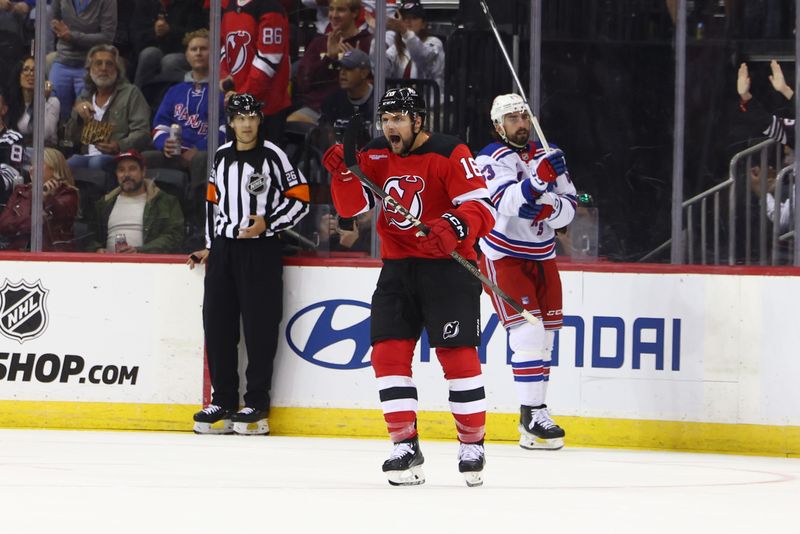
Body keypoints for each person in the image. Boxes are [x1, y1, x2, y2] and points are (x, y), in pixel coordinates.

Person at [321, 87, 496, 487]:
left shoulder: (452, 153)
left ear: (418, 121)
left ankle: (472, 442)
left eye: (398, 119)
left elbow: (482, 208)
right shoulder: (377, 154)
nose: (390, 126)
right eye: (386, 119)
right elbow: (352, 209)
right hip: (398, 268)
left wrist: (453, 226)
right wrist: (344, 173)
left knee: (457, 356)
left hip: (449, 269)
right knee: (387, 353)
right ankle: (404, 443)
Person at [188, 93, 310, 436]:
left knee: (259, 328)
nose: (245, 124)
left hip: (261, 250)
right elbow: (213, 204)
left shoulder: (273, 155)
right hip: (224, 251)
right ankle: (223, 400)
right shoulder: (221, 156)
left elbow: (301, 198)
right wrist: (211, 247)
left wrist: (268, 223)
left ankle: (256, 404)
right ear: (231, 122)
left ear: (259, 120)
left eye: (251, 118)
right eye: (239, 118)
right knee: (217, 324)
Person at [475, 93, 576, 450]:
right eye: (512, 118)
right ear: (498, 126)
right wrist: (537, 186)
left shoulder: (548, 152)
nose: (520, 123)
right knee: (527, 336)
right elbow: (507, 202)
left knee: (547, 337)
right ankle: (532, 411)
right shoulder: (490, 157)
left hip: (543, 255)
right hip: (504, 257)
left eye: (523, 116)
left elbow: (569, 209)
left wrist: (547, 206)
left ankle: (534, 423)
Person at [145, 29, 225, 217]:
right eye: (193, 49)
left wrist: (199, 149)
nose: (198, 53)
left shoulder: (221, 89)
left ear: (213, 54)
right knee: (144, 159)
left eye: (204, 49)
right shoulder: (175, 90)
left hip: (204, 154)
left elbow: (226, 128)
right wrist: (164, 143)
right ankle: (154, 218)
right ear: (187, 56)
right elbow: (160, 124)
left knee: (201, 160)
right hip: (175, 153)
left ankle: (199, 220)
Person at [64, 44, 151, 172]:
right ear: (89, 69)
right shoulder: (84, 97)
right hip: (86, 155)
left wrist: (119, 145)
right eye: (98, 63)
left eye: (109, 64)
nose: (103, 68)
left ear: (117, 69)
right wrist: (77, 115)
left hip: (120, 156)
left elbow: (142, 132)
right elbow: (70, 139)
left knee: (96, 162)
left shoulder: (131, 93)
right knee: (68, 164)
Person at [85, 149, 184, 253]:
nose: (126, 174)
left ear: (143, 172)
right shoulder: (104, 204)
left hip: (148, 265)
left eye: (132, 169)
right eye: (121, 170)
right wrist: (97, 249)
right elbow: (89, 237)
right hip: (106, 265)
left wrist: (140, 251)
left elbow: (174, 236)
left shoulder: (166, 201)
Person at [290, 0, 372, 126]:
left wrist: (354, 60)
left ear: (355, 13)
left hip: (354, 110)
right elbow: (304, 81)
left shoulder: (366, 43)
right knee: (293, 122)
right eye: (331, 9)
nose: (334, 15)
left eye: (340, 10)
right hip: (318, 109)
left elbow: (372, 81)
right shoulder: (319, 43)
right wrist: (329, 58)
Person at [220, 0, 291, 144]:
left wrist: (244, 96)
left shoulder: (271, 8)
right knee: (235, 161)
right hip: (236, 101)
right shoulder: (229, 7)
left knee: (262, 163)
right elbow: (223, 47)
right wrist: (224, 79)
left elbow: (269, 58)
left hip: (267, 107)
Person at [0, 147, 80, 251]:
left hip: (51, 255)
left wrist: (47, 197)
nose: (32, 169)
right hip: (18, 252)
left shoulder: (68, 193)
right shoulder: (21, 191)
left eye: (39, 164)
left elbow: (50, 220)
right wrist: (34, 194)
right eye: (32, 164)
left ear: (54, 168)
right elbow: (3, 225)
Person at [50, 0, 117, 121]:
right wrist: (58, 28)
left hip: (90, 63)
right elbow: (53, 20)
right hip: (62, 59)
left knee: (87, 116)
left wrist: (72, 37)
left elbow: (107, 37)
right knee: (54, 108)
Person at [131, 0, 207, 87]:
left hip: (181, 51)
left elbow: (195, 34)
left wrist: (170, 30)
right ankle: (137, 96)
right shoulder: (145, 3)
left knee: (170, 61)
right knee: (148, 54)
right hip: (151, 48)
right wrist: (154, 32)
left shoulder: (190, 4)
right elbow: (135, 35)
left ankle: (172, 97)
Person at [381, 0, 444, 98]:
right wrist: (378, 36)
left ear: (423, 24)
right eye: (404, 18)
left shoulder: (434, 43)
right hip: (402, 109)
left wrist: (405, 32)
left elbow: (422, 55)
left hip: (431, 109)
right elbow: (381, 69)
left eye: (414, 18)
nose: (408, 21)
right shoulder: (396, 47)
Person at [7, 56, 61, 147]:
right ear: (19, 76)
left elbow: (43, 134)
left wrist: (43, 98)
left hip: (45, 151)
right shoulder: (12, 103)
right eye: (26, 69)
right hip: (18, 150)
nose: (31, 74)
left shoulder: (52, 102)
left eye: (34, 70)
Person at [319, 48, 375, 129]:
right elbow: (324, 136)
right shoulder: (332, 102)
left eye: (348, 68)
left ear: (364, 73)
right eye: (340, 68)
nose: (342, 73)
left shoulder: (380, 101)